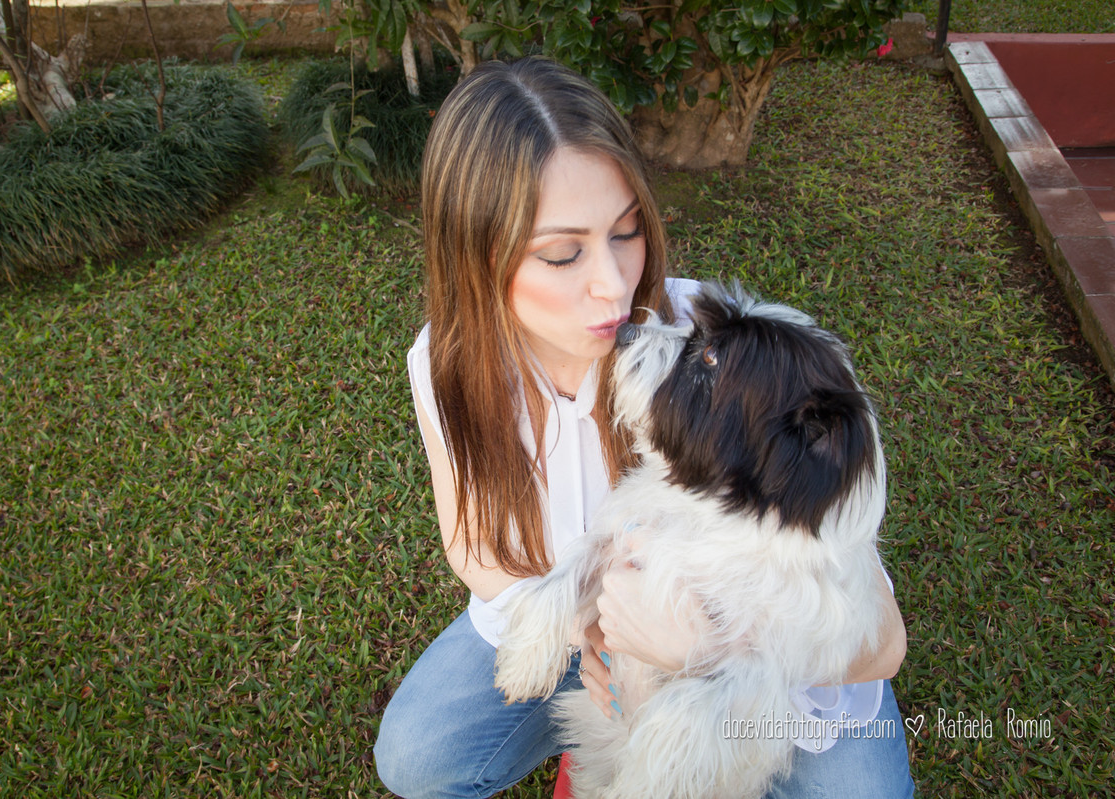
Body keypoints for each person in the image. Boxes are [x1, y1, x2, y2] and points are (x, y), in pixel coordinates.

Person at [374, 56, 914, 799]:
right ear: (475, 254)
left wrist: (694, 649)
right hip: (580, 610)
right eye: (563, 252)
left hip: (761, 663)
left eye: (626, 233)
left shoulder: (732, 370)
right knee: (417, 754)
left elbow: (881, 641)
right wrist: (594, 633)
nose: (614, 285)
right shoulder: (446, 364)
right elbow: (473, 546)